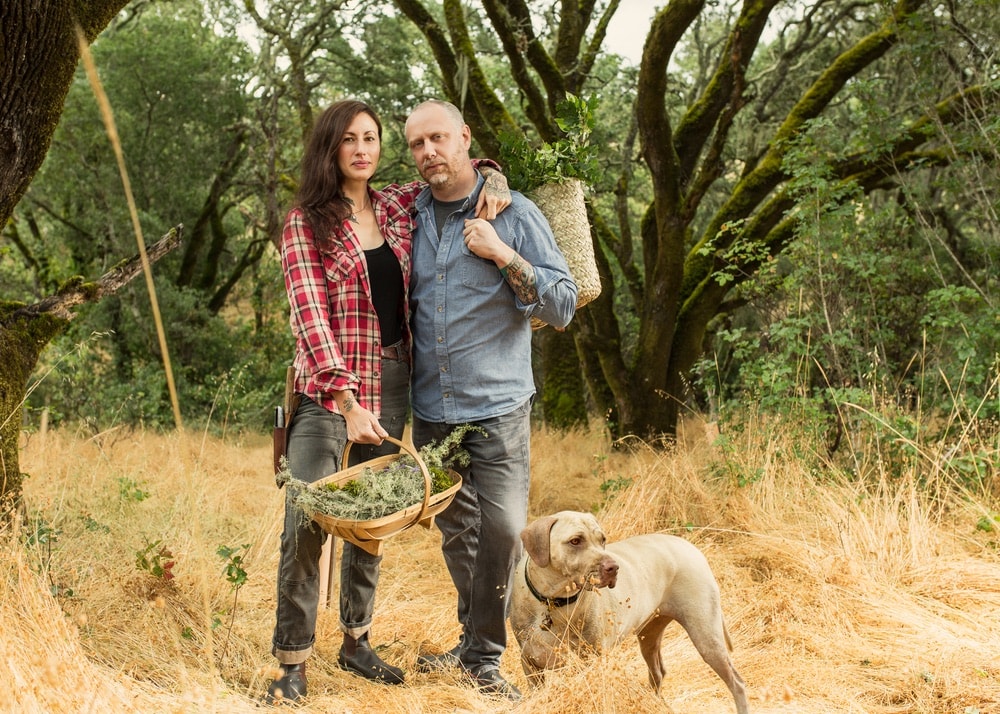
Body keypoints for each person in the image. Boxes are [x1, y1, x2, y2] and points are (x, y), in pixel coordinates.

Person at [267, 99, 509, 704]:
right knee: (308, 520)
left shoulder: (400, 204)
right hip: (330, 394)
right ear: (330, 147)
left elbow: (467, 166)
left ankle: (356, 642)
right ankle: (292, 663)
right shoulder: (305, 222)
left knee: (371, 521)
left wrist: (497, 182)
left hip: (396, 381)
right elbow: (309, 317)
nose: (362, 149)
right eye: (349, 139)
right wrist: (345, 400)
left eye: (372, 138)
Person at [404, 100, 578, 701]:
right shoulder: (410, 214)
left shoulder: (515, 213)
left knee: (503, 530)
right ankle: (477, 651)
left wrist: (503, 254)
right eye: (417, 144)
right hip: (432, 411)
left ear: (465, 138)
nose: (429, 152)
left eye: (439, 139)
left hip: (499, 407)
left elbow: (561, 303)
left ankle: (487, 651)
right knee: (457, 533)